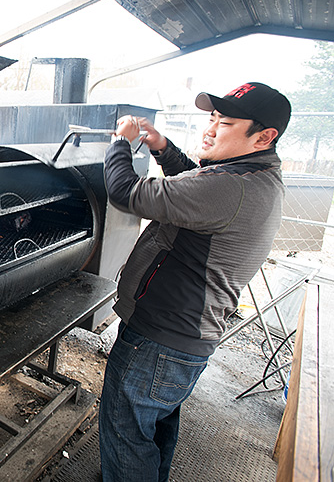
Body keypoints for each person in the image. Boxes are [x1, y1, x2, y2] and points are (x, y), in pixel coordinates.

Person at [98, 82, 291, 482]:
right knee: (154, 429)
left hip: (158, 339)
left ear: (264, 135)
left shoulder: (230, 187)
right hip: (184, 341)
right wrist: (162, 147)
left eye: (226, 122)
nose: (211, 128)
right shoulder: (255, 177)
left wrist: (121, 143)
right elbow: (194, 185)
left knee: (126, 439)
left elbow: (123, 191)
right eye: (212, 118)